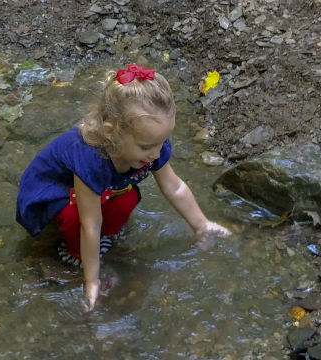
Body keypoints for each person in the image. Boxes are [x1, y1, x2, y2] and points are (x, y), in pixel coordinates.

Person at [16, 64, 230, 311]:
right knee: (78, 219)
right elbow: (90, 224)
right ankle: (74, 254)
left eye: (161, 143)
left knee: (125, 200)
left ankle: (104, 241)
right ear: (111, 133)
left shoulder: (151, 145)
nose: (155, 154)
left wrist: (202, 225)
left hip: (96, 189)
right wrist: (91, 281)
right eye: (146, 147)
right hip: (51, 192)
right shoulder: (90, 157)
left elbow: (174, 186)